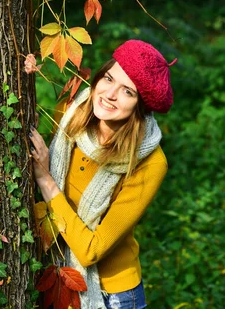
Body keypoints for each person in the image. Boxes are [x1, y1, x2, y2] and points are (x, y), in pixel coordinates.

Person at [29, 40, 176, 309]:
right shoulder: (71, 112)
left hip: (112, 296)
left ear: (140, 106)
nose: (109, 94)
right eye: (109, 78)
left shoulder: (150, 162)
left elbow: (91, 250)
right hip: (56, 276)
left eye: (127, 92)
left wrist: (45, 179)